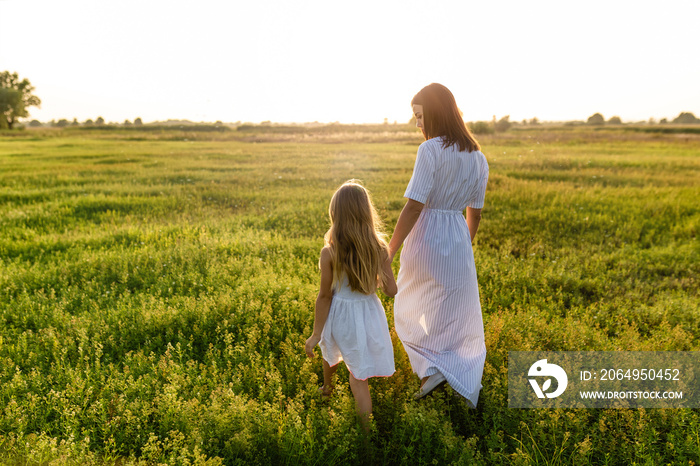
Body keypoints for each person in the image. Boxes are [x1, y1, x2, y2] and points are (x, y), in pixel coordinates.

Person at [387, 83, 489, 407]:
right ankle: (446, 369)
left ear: (433, 113)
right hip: (458, 239)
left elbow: (414, 206)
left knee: (407, 306)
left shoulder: (429, 150)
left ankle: (432, 368)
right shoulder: (478, 157)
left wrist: (388, 251)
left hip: (427, 234)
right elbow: (476, 213)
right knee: (451, 314)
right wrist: (463, 248)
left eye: (419, 116)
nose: (418, 124)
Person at [305, 180, 397, 428]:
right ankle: (366, 436)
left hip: (340, 315)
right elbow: (391, 291)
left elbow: (325, 296)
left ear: (337, 216)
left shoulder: (330, 252)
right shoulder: (379, 248)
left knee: (329, 348)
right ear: (366, 213)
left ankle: (327, 389)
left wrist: (315, 333)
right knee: (359, 378)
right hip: (368, 315)